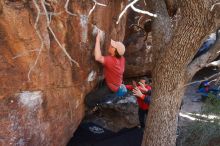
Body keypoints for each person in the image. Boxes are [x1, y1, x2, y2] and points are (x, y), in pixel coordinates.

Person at [85, 30, 127, 108]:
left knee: (88, 99)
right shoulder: (121, 58)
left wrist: (97, 40)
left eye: (112, 46)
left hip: (111, 87)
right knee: (100, 87)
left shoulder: (111, 61)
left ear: (114, 51)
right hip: (115, 83)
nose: (110, 46)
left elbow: (98, 57)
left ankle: (95, 107)